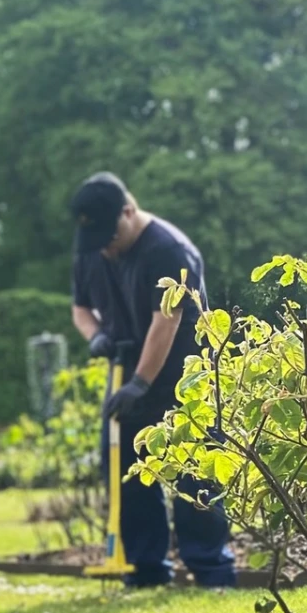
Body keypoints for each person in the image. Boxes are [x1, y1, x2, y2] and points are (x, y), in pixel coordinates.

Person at [70, 172, 235, 589]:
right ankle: (146, 572)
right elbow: (80, 309)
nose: (105, 249)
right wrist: (98, 336)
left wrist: (141, 382)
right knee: (129, 474)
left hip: (184, 379)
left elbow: (168, 319)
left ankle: (212, 571)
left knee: (195, 471)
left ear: (129, 210)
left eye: (112, 237)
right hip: (127, 373)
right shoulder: (93, 243)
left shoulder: (168, 249)